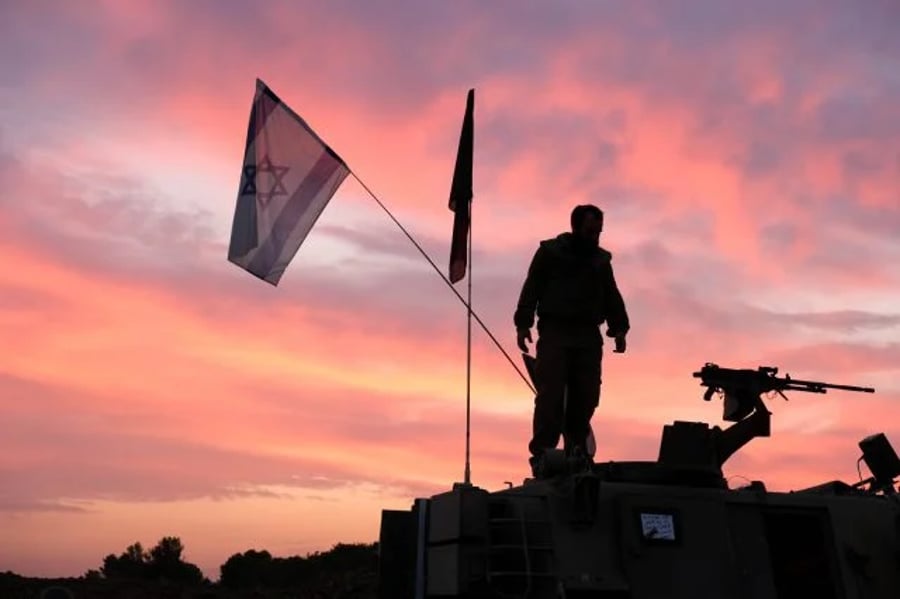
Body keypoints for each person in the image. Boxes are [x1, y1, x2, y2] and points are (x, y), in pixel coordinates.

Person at [514, 204, 630, 476]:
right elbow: (532, 287)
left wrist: (620, 328)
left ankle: (576, 451)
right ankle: (543, 453)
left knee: (587, 396)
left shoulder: (601, 262)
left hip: (588, 335)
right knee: (550, 395)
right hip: (555, 331)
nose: (595, 237)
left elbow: (611, 295)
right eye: (590, 231)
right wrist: (523, 324)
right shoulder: (550, 253)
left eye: (599, 232)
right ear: (576, 227)